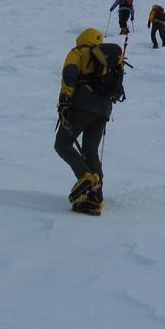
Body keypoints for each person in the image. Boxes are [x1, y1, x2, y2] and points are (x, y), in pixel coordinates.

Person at [54, 27, 125, 215]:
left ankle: (85, 178)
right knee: (90, 151)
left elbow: (69, 76)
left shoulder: (78, 52)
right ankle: (96, 197)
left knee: (62, 144)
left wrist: (64, 103)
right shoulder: (108, 60)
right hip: (104, 109)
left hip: (83, 105)